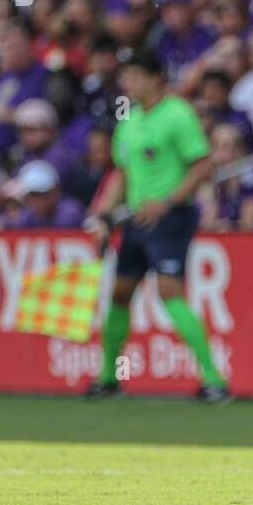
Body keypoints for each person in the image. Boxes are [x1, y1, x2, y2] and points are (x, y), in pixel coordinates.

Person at [84, 48, 228, 402]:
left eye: (134, 75)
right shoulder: (129, 121)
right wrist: (103, 212)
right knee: (119, 292)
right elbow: (121, 173)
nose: (128, 83)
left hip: (169, 217)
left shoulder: (178, 114)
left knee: (169, 291)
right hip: (135, 219)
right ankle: (108, 377)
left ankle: (214, 380)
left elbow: (203, 165)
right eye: (126, 76)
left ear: (155, 78)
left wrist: (167, 203)